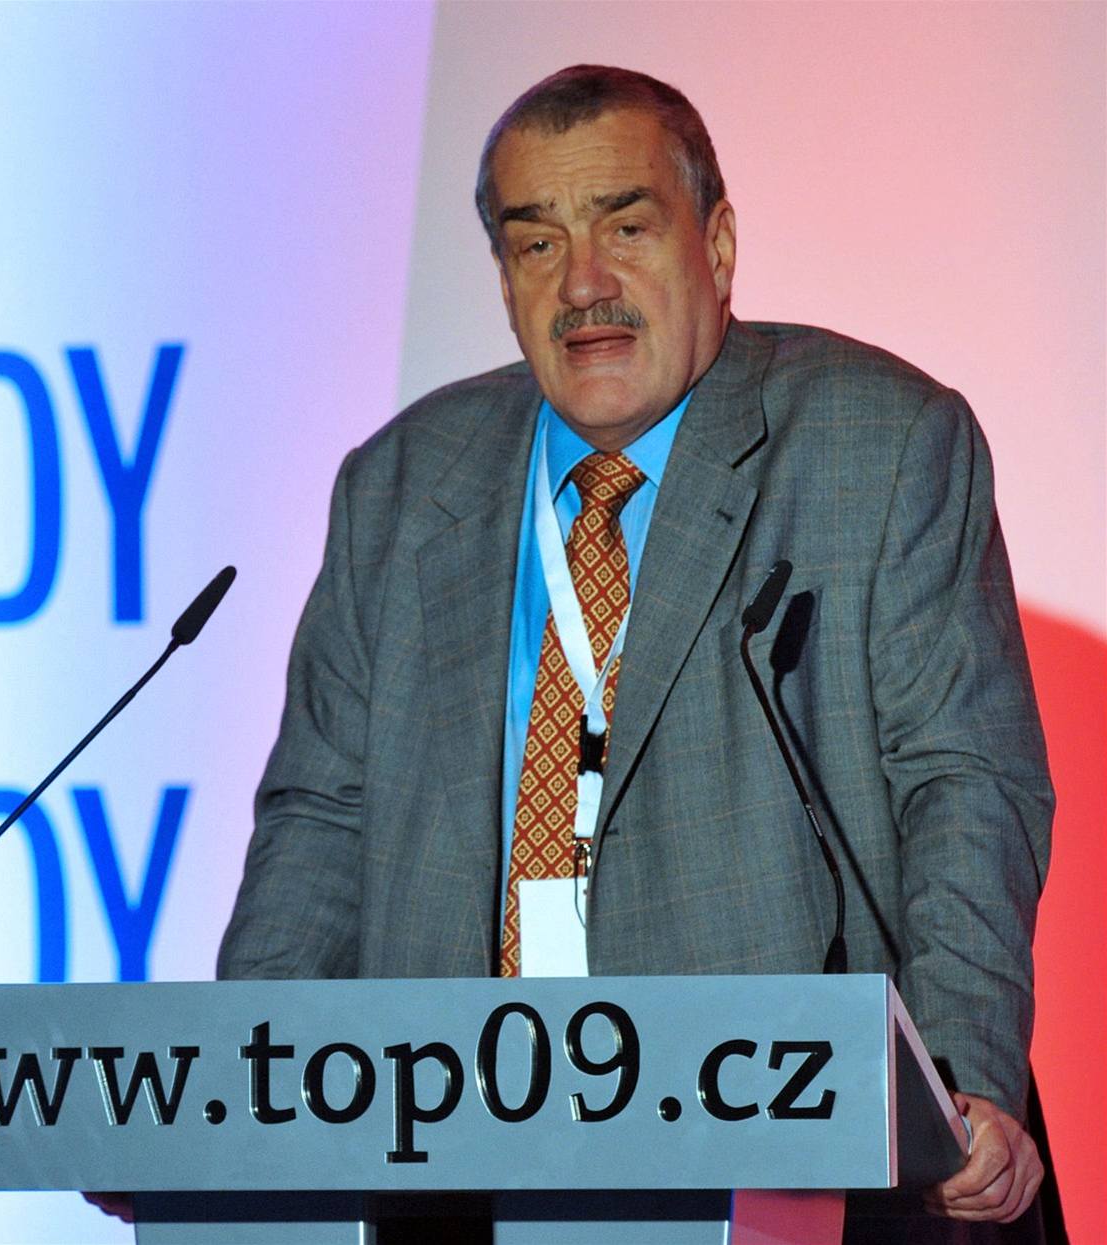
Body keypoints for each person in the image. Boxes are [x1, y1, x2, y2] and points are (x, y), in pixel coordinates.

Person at [215, 65, 1051, 1237]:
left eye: (625, 226)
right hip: (450, 1155)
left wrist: (960, 1077)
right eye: (537, 244)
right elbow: (319, 822)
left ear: (717, 246)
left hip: (779, 1154)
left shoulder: (880, 442)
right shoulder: (399, 485)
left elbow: (962, 782)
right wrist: (232, 1104)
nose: (583, 285)